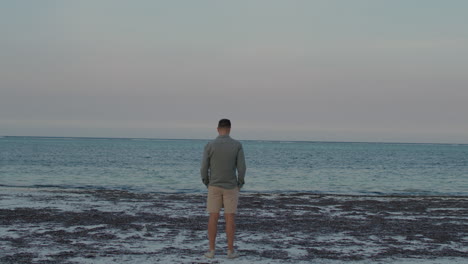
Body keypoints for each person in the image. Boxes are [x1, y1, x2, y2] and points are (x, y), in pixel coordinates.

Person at [200, 119, 246, 259]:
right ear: (230, 129)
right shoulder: (237, 145)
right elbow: (242, 168)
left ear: (217, 129)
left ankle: (211, 251)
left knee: (213, 217)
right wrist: (240, 184)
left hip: (214, 185)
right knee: (230, 218)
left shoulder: (210, 145)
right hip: (231, 186)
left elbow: (203, 168)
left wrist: (207, 182)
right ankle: (230, 251)